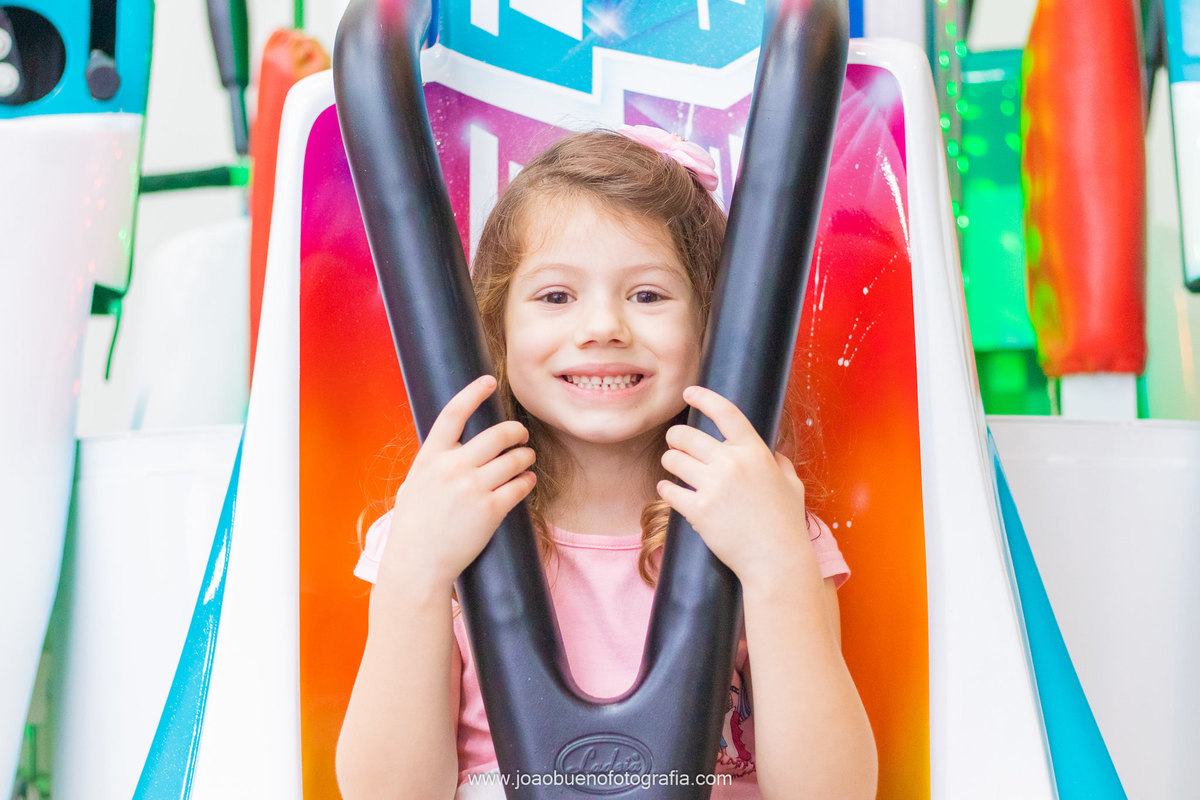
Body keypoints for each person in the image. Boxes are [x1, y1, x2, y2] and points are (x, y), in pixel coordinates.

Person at [335, 127, 877, 799]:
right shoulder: (438, 525)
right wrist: (415, 570)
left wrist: (777, 564)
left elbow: (832, 792)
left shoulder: (760, 518)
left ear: (713, 324)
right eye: (556, 297)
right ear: (496, 326)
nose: (603, 327)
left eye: (648, 295)